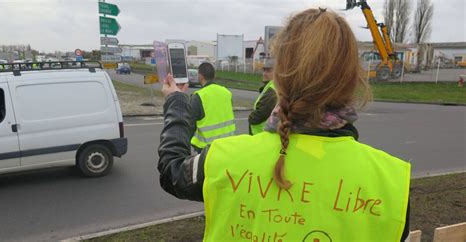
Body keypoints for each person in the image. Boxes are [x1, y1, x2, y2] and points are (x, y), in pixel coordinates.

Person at [159, 8, 410, 241]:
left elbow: (171, 170)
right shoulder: (392, 184)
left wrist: (176, 103)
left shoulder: (221, 160)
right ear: (353, 77)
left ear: (281, 74)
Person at [189, 62, 236, 153]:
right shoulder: (227, 93)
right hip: (228, 146)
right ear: (214, 75)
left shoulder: (198, 96)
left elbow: (190, 126)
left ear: (200, 76)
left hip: (207, 151)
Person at [248, 58, 277, 135]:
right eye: (264, 70)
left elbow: (260, 114)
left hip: (261, 135)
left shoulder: (272, 90)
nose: (264, 73)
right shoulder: (271, 87)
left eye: (268, 71)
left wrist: (250, 118)